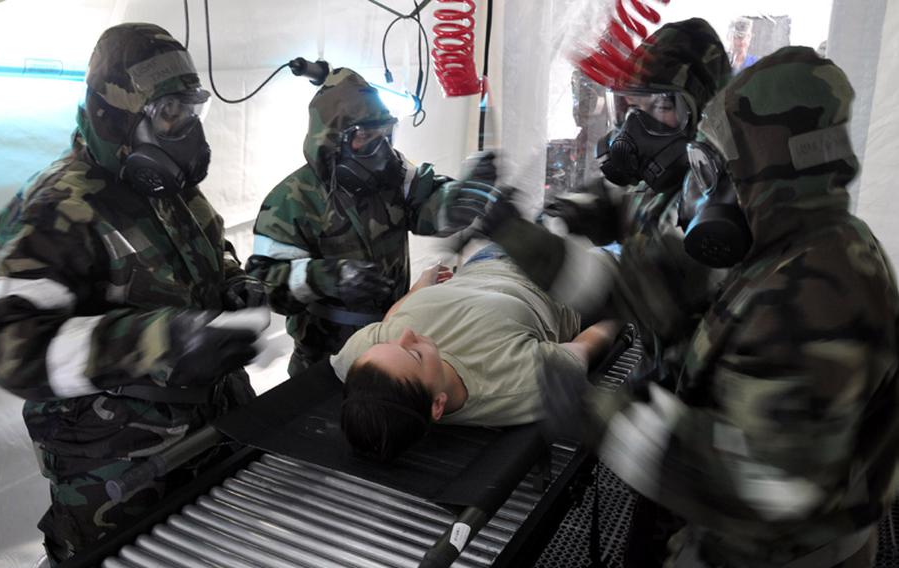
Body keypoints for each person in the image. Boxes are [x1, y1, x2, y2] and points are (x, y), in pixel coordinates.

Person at [548, 46, 899, 568]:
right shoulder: (771, 241)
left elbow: (763, 482)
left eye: (714, 166)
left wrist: (600, 414)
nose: (702, 189)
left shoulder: (826, 284)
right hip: (720, 520)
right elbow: (648, 285)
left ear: (766, 171)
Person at [0, 24, 267, 563]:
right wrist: (162, 342)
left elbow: (212, 255)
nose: (185, 130)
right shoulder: (55, 208)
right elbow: (10, 348)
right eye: (169, 113)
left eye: (192, 111)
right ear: (113, 114)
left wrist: (235, 285)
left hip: (212, 431)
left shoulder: (169, 187)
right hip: (118, 470)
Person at [489, 18, 732, 387]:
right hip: (662, 370)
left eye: (660, 106)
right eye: (631, 106)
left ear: (703, 111)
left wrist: (514, 233)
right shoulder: (662, 182)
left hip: (702, 395)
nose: (636, 125)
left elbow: (626, 292)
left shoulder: (720, 208)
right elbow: (612, 201)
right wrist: (563, 214)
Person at [247, 67, 497, 378]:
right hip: (324, 356)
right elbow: (266, 281)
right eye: (364, 136)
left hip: (391, 340)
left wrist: (460, 197)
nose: (378, 147)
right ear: (333, 139)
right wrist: (330, 277)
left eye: (383, 133)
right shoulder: (293, 198)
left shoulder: (394, 173)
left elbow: (429, 205)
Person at [330, 249, 620, 461]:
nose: (408, 335)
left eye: (394, 343)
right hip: (559, 275)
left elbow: (392, 320)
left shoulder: (360, 359)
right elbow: (584, 347)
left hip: (483, 259)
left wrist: (423, 282)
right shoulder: (513, 383)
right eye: (415, 355)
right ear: (437, 406)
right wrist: (623, 313)